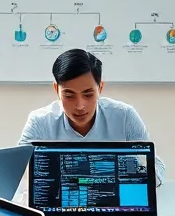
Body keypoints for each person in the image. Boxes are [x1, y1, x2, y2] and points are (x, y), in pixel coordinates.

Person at [18, 48, 166, 184]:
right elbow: (18, 173)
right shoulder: (39, 121)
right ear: (56, 89)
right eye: (69, 95)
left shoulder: (124, 116)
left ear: (100, 88)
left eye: (88, 94)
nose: (80, 105)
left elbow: (158, 169)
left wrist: (113, 171)